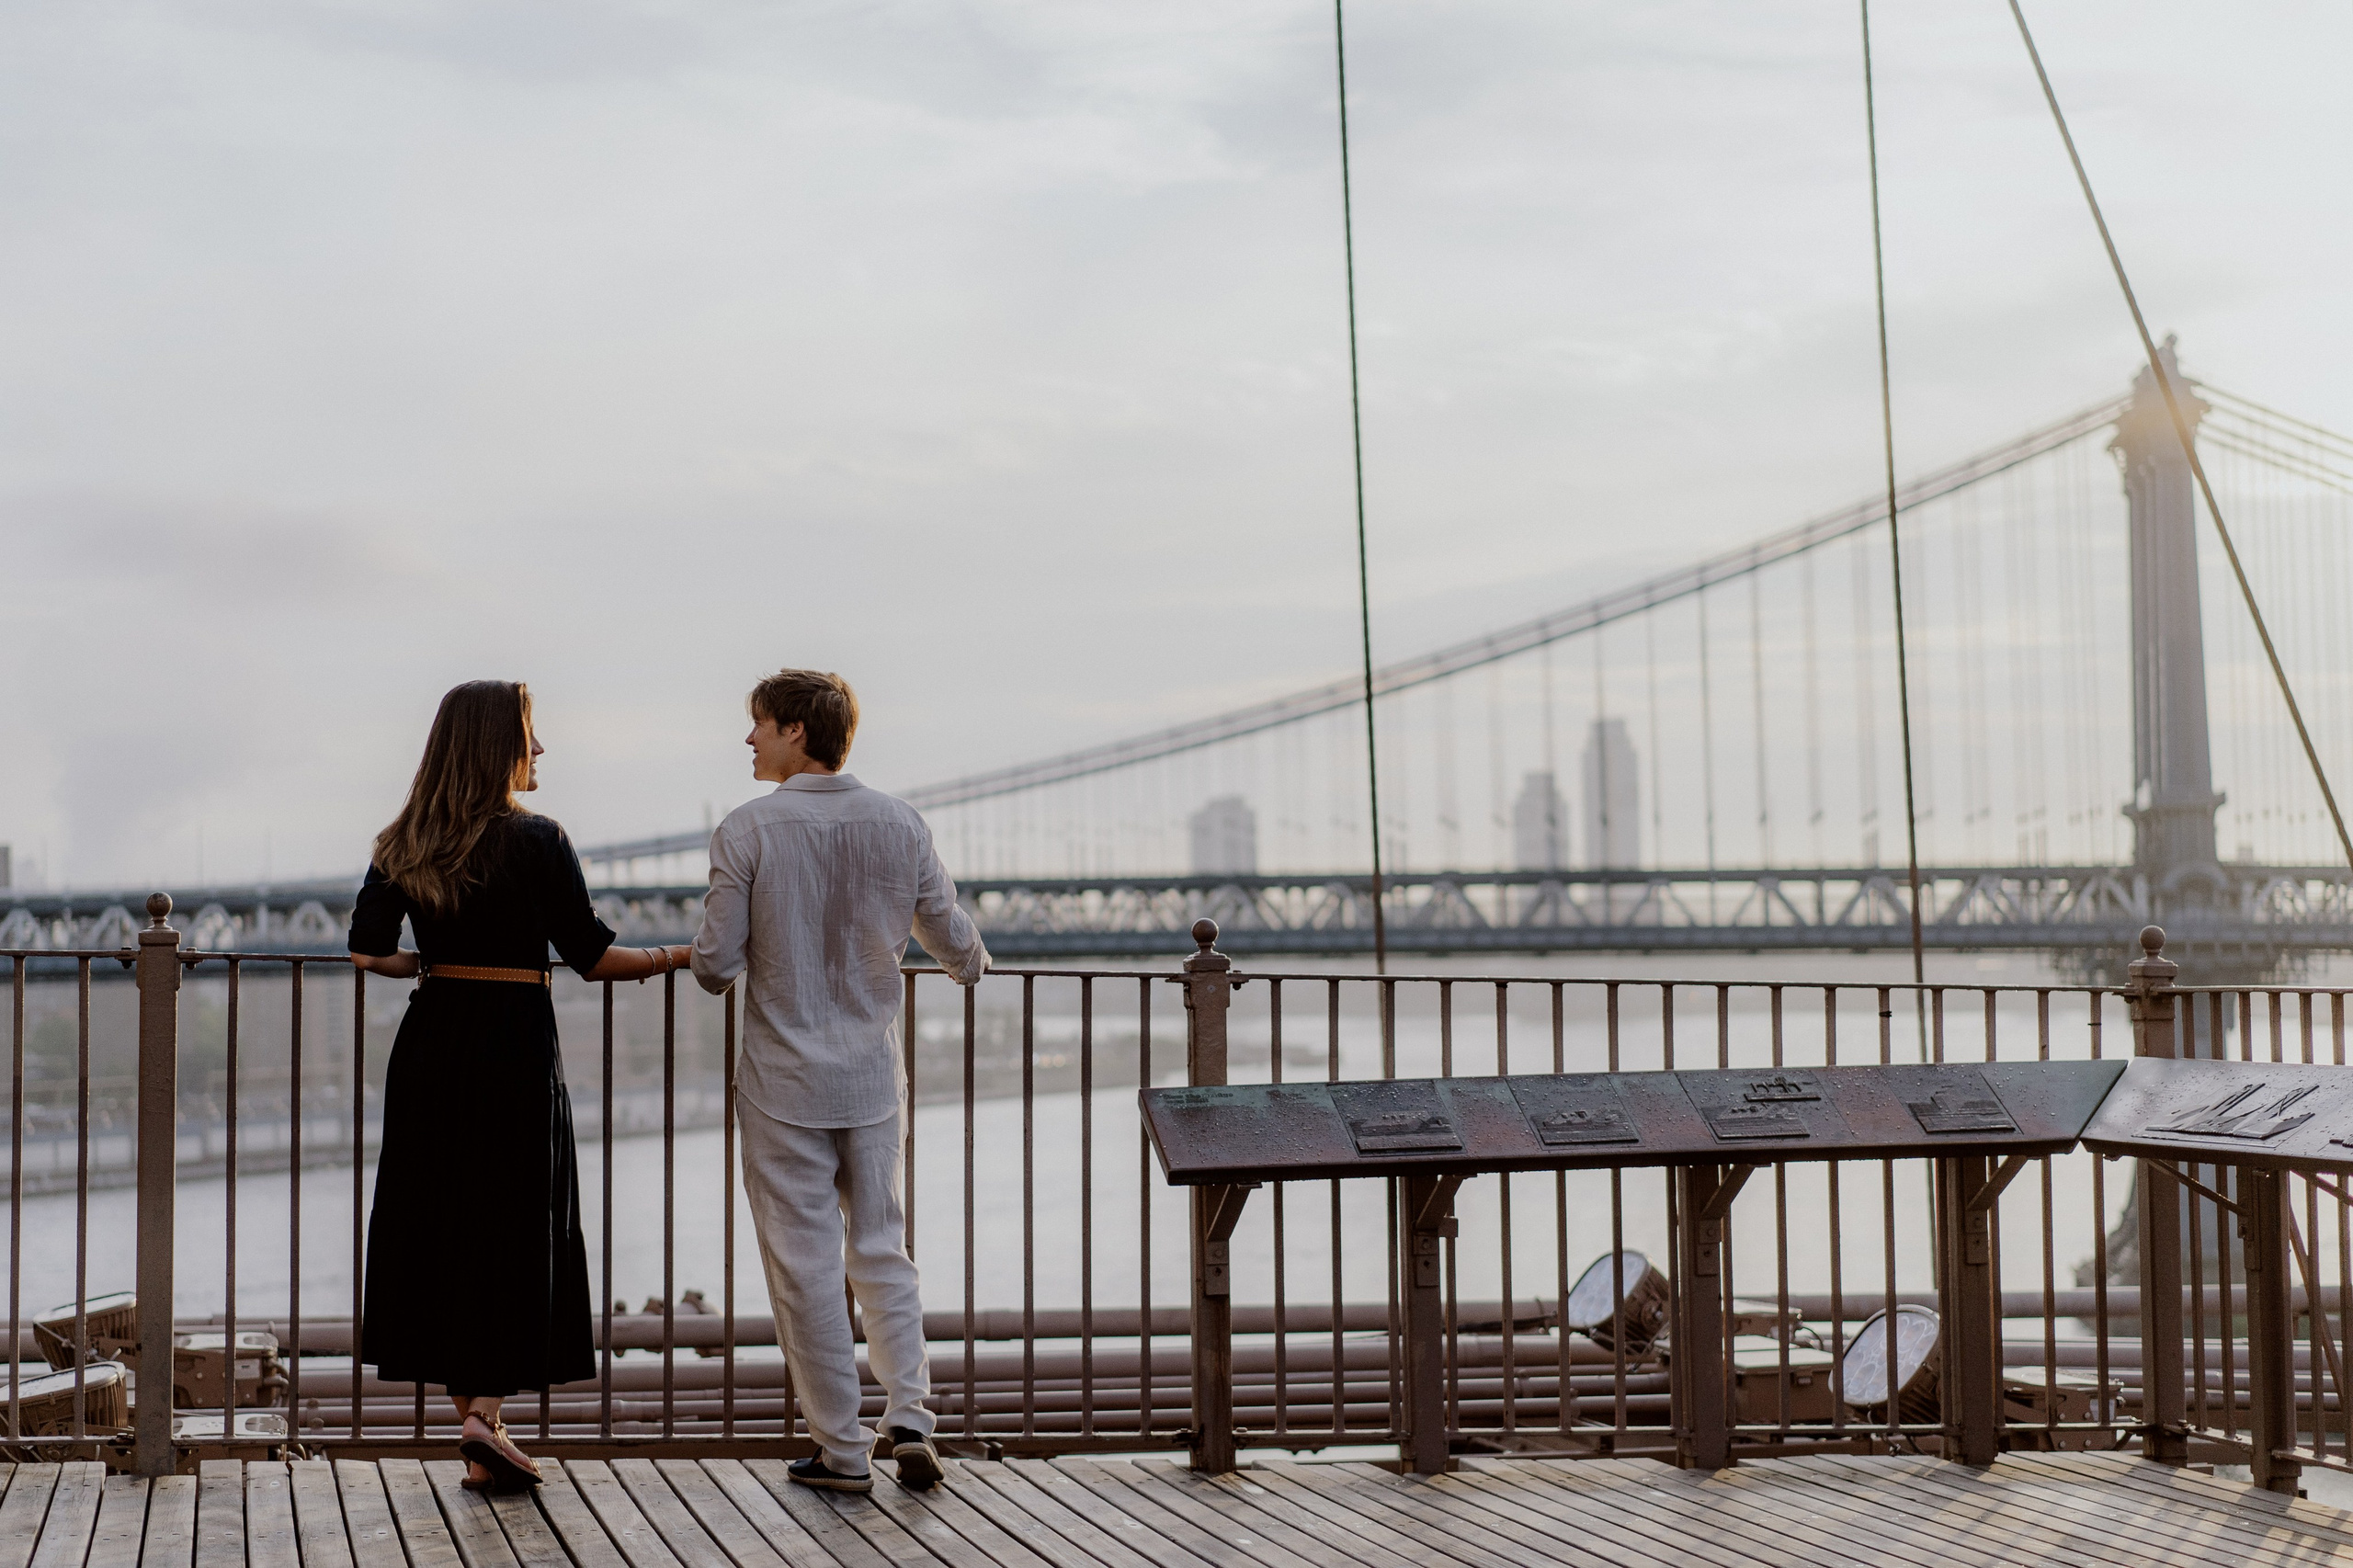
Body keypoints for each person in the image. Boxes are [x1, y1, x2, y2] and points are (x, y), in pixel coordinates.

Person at [348, 680, 689, 1493]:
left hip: (431, 1042)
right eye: (531, 736)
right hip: (512, 1046)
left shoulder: (403, 839)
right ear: (499, 744)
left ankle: (482, 1425)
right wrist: (682, 957)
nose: (541, 751)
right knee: (511, 1224)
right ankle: (483, 1416)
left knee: (438, 1221)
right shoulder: (539, 839)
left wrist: (432, 966)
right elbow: (593, 957)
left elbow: (367, 952)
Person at [691, 668, 987, 1493]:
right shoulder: (900, 822)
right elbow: (956, 944)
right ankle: (912, 1415)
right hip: (869, 1077)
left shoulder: (746, 829)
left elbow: (715, 966)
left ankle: (841, 1451)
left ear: (794, 730)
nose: (747, 739)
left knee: (805, 1265)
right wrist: (969, 960)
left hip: (783, 1083)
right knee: (882, 1246)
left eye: (756, 724)